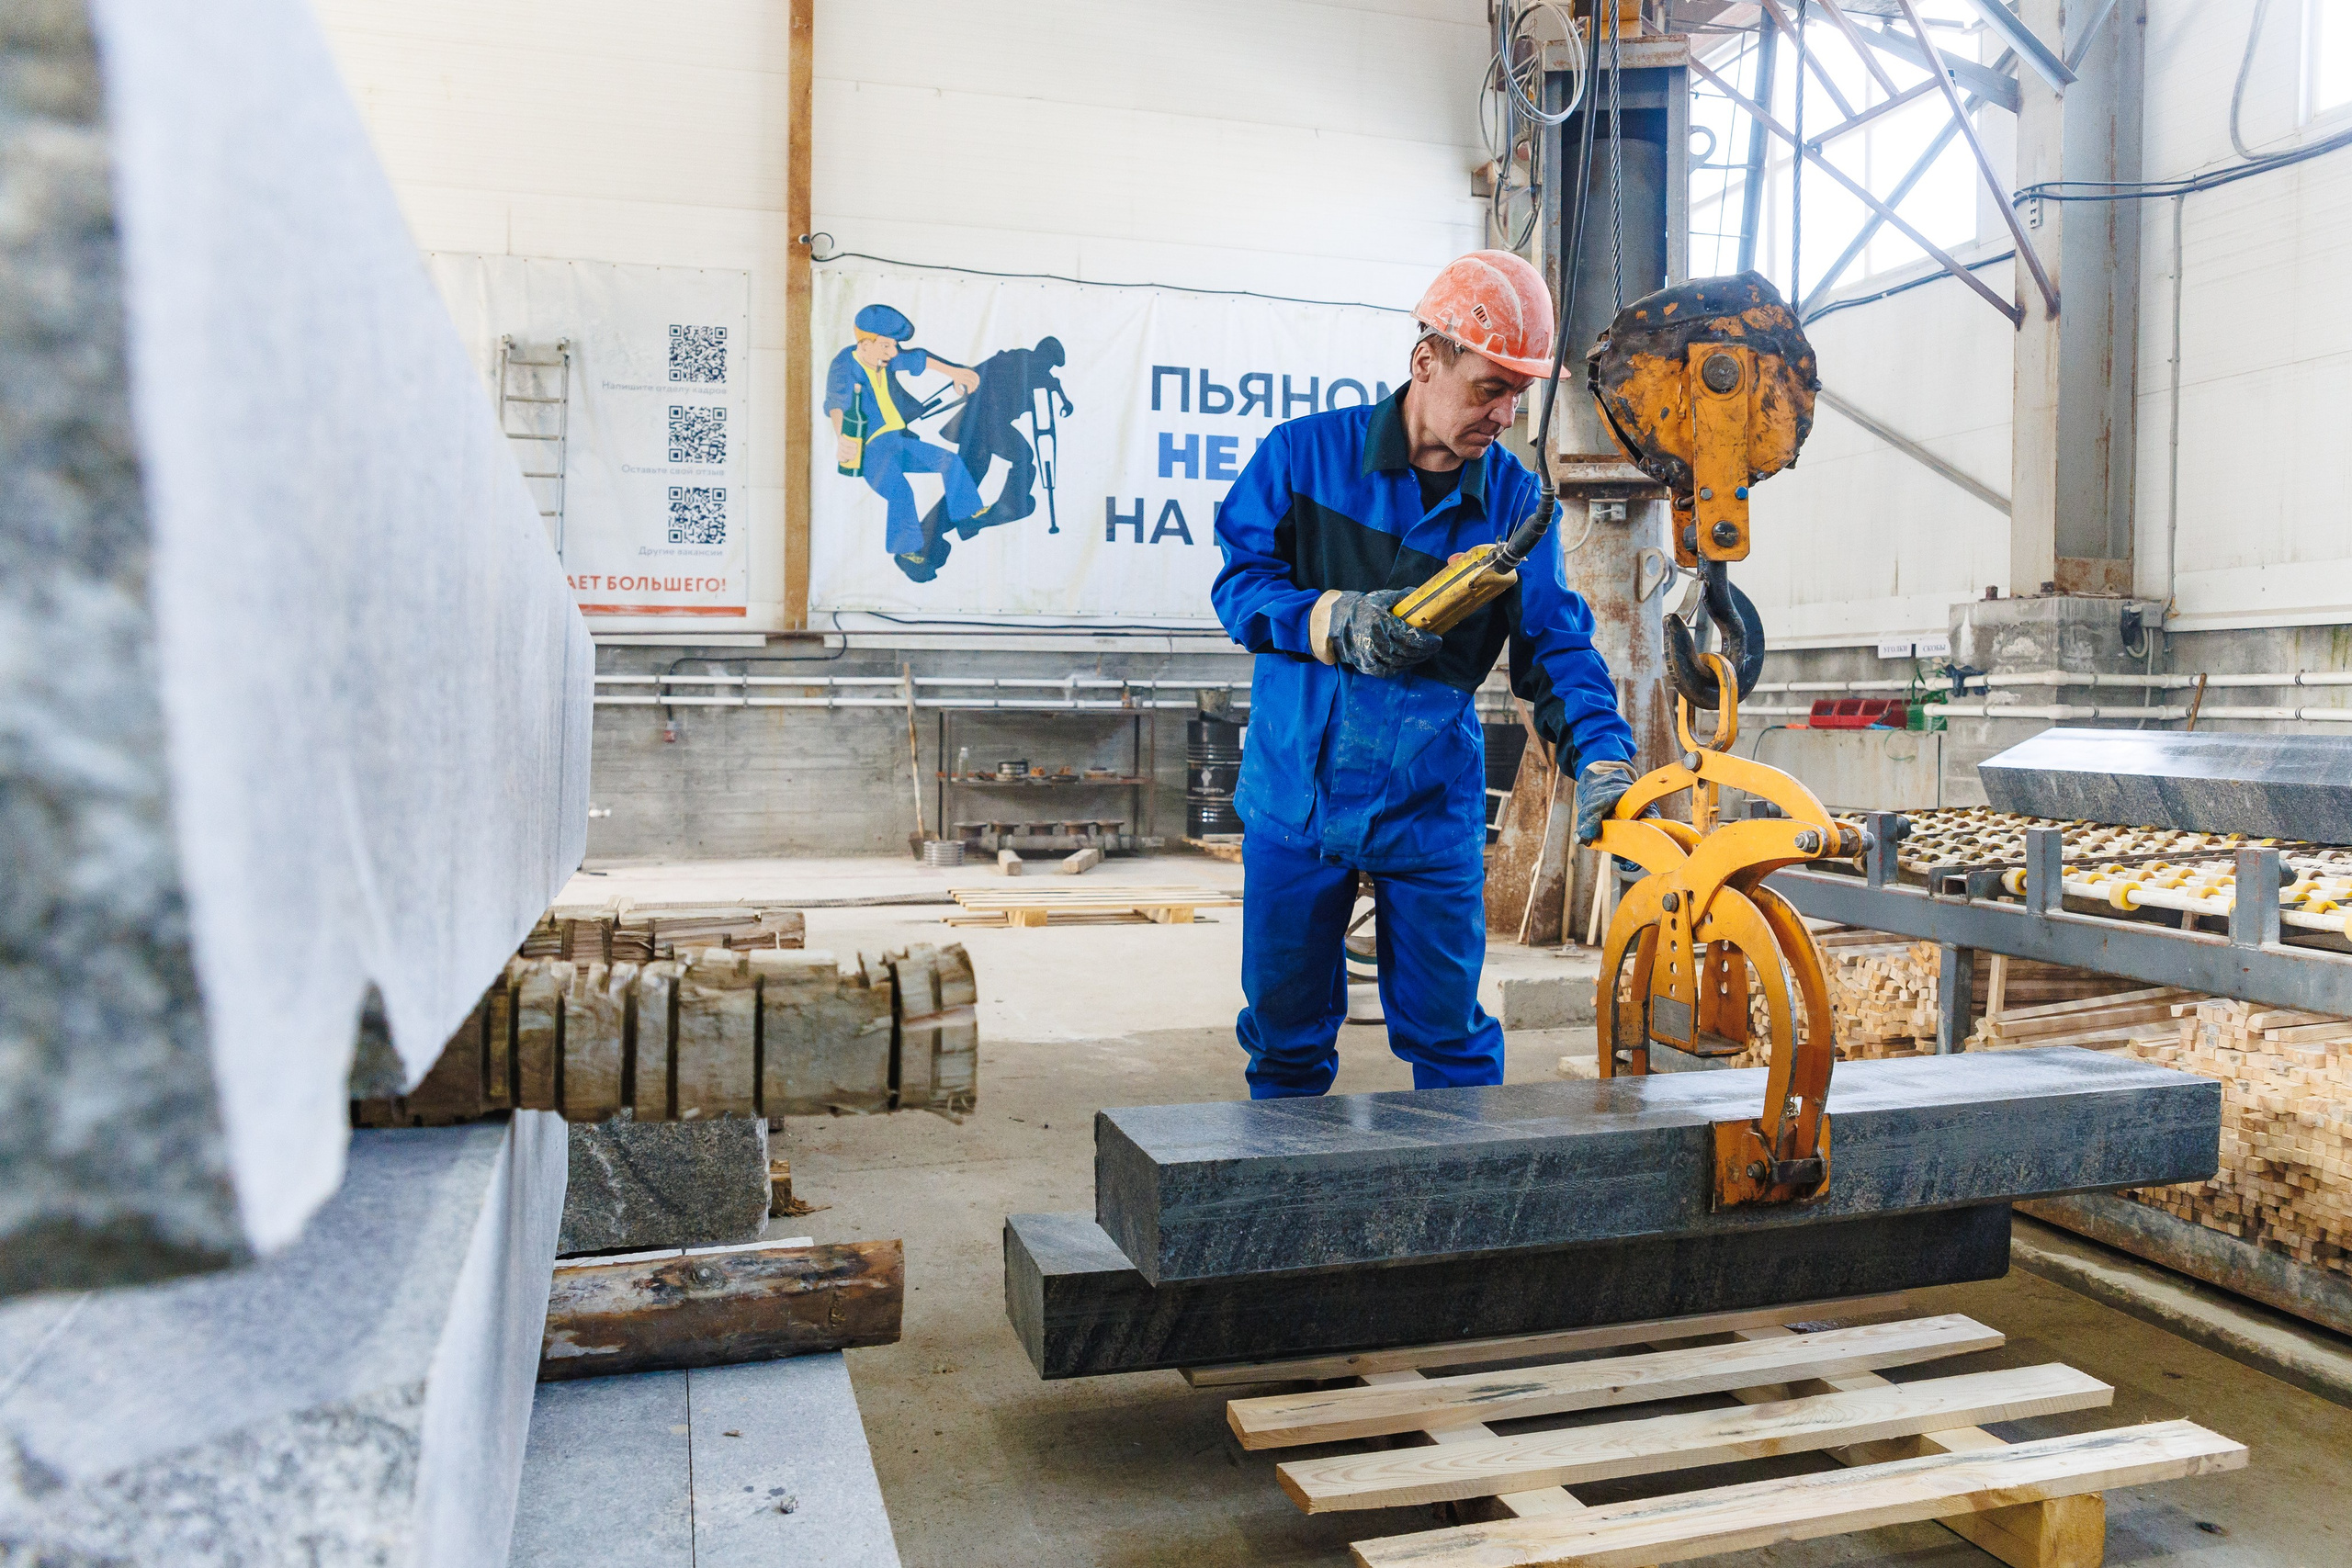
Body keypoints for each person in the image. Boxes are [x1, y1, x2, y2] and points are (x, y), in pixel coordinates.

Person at [1209, 250, 1640, 1100]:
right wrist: (1335, 621)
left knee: (1450, 1041)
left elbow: (1556, 644)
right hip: (1298, 791)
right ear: (1425, 361)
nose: (1504, 413)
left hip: (1426, 800)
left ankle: (1459, 1222)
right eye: (1488, 387)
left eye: (1519, 394)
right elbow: (1240, 586)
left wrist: (1603, 754)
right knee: (1287, 1039)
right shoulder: (1302, 458)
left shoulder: (1517, 504)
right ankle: (1292, 1215)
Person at [902, 335, 1075, 581]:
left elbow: (1052, 382)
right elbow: (987, 371)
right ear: (1043, 354)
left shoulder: (1032, 367)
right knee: (1023, 456)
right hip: (986, 423)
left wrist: (1064, 400)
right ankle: (1009, 504)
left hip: (981, 428)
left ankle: (921, 546)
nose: (1048, 368)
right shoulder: (1019, 359)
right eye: (1049, 362)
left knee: (965, 489)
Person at [824, 303, 985, 559]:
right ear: (865, 345)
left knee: (949, 462)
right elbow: (836, 404)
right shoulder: (845, 367)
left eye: (894, 346)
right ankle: (905, 548)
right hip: (871, 450)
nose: (894, 352)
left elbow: (917, 358)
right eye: (887, 345)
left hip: (898, 440)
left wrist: (955, 372)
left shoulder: (882, 357)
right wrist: (842, 437)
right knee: (901, 492)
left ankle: (967, 517)